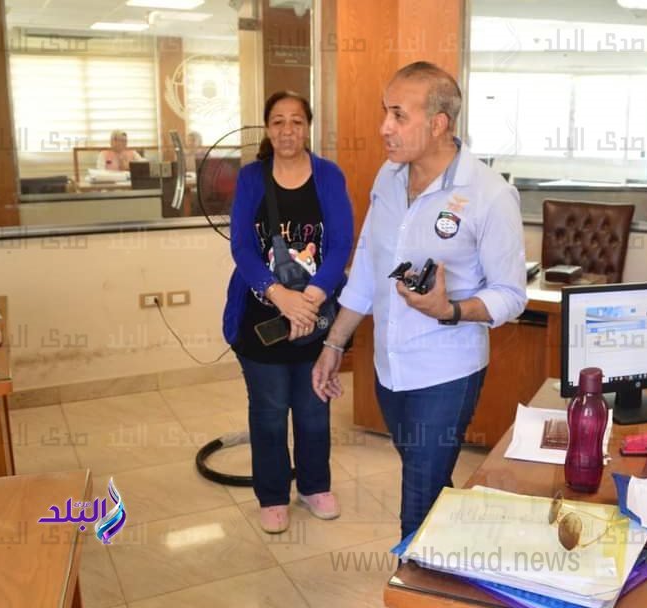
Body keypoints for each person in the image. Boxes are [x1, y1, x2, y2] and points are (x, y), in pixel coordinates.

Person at [311, 61, 527, 539]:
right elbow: (367, 268)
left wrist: (450, 310)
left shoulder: (490, 194)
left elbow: (511, 295)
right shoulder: (388, 178)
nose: (383, 127)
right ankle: (459, 554)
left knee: (417, 506)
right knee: (431, 488)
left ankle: (414, 571)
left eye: (398, 115)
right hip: (391, 370)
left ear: (438, 124)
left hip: (445, 373)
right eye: (384, 112)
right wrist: (334, 343)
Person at [222, 91, 354, 534]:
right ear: (267, 128)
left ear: (308, 127)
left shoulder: (328, 175)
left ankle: (314, 486)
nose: (287, 130)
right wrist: (279, 294)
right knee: (269, 411)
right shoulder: (251, 178)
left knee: (314, 408)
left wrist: (311, 297)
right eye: (277, 121)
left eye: (296, 121)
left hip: (316, 316)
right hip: (262, 318)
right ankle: (273, 494)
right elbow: (242, 246)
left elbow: (341, 244)